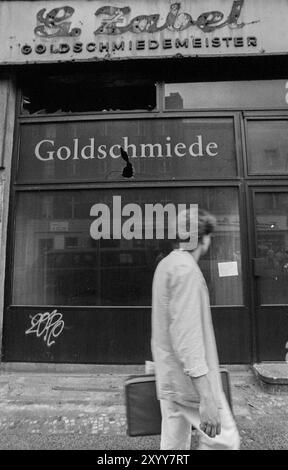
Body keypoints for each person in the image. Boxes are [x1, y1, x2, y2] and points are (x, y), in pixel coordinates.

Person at [151, 208, 240, 450]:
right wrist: (207, 396)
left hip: (169, 378)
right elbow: (186, 337)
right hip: (189, 383)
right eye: (209, 236)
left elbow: (166, 327)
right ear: (203, 239)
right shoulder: (186, 270)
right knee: (225, 440)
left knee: (173, 446)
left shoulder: (166, 265)